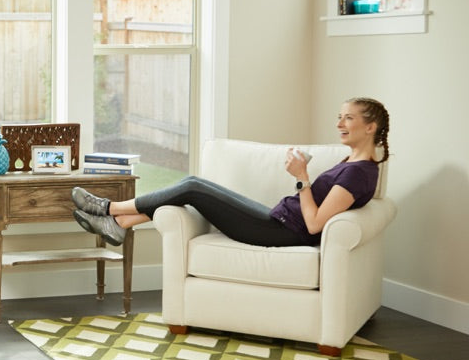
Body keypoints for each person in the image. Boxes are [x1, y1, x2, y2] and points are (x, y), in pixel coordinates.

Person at [72, 97, 390, 248]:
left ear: (370, 127)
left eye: (348, 118)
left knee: (194, 188)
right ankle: (122, 223)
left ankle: (108, 209)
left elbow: (315, 224)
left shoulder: (359, 174)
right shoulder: (353, 164)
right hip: (277, 218)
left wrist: (302, 178)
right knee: (196, 187)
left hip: (282, 232)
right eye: (340, 117)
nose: (339, 124)